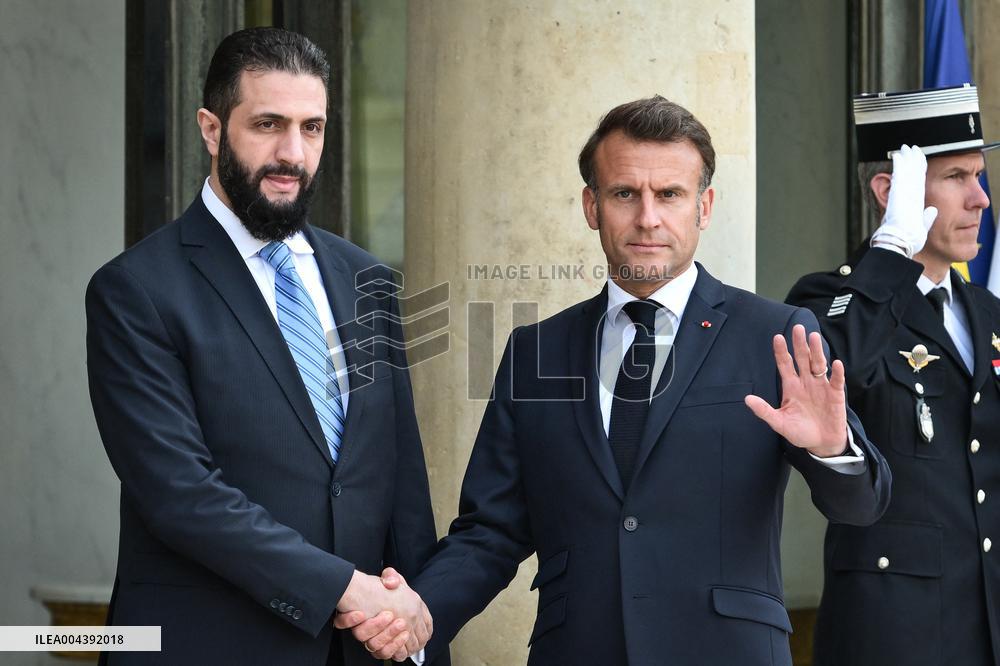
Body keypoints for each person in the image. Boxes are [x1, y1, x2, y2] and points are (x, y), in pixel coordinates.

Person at [341, 96, 891, 665]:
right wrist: (418, 611)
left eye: (670, 195)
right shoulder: (537, 351)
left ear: (704, 207)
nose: (648, 218)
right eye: (625, 193)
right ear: (591, 205)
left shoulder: (773, 336)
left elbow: (862, 506)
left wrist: (831, 449)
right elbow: (492, 531)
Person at [86, 27, 444, 665]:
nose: (293, 153)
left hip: (364, 651)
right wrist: (345, 588)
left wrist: (416, 637)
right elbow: (181, 495)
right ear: (211, 129)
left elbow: (399, 487)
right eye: (268, 124)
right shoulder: (134, 291)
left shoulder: (368, 282)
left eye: (313, 128)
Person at [787, 84, 1000, 666]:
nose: (981, 198)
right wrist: (891, 252)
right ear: (891, 192)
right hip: (894, 635)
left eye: (980, 175)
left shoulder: (989, 313)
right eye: (957, 177)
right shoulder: (830, 299)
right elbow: (833, 365)